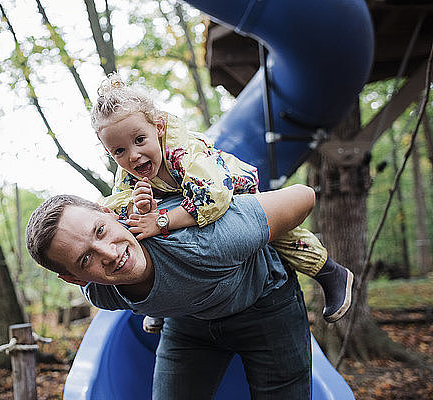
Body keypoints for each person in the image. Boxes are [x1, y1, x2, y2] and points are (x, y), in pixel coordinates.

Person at [91, 73, 353, 332]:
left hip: (229, 191)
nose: (134, 156)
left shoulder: (185, 152)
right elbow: (119, 206)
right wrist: (138, 208)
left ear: (158, 127)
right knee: (141, 227)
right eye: (120, 151)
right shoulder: (128, 172)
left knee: (275, 232)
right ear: (109, 152)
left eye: (139, 140)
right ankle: (161, 305)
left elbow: (211, 197)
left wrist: (162, 220)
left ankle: (329, 272)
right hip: (187, 200)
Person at [26, 184, 315, 399]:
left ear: (109, 213)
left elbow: (304, 196)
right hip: (190, 321)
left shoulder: (203, 243)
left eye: (100, 231)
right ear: (74, 278)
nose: (110, 254)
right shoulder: (102, 293)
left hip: (265, 303)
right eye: (85, 259)